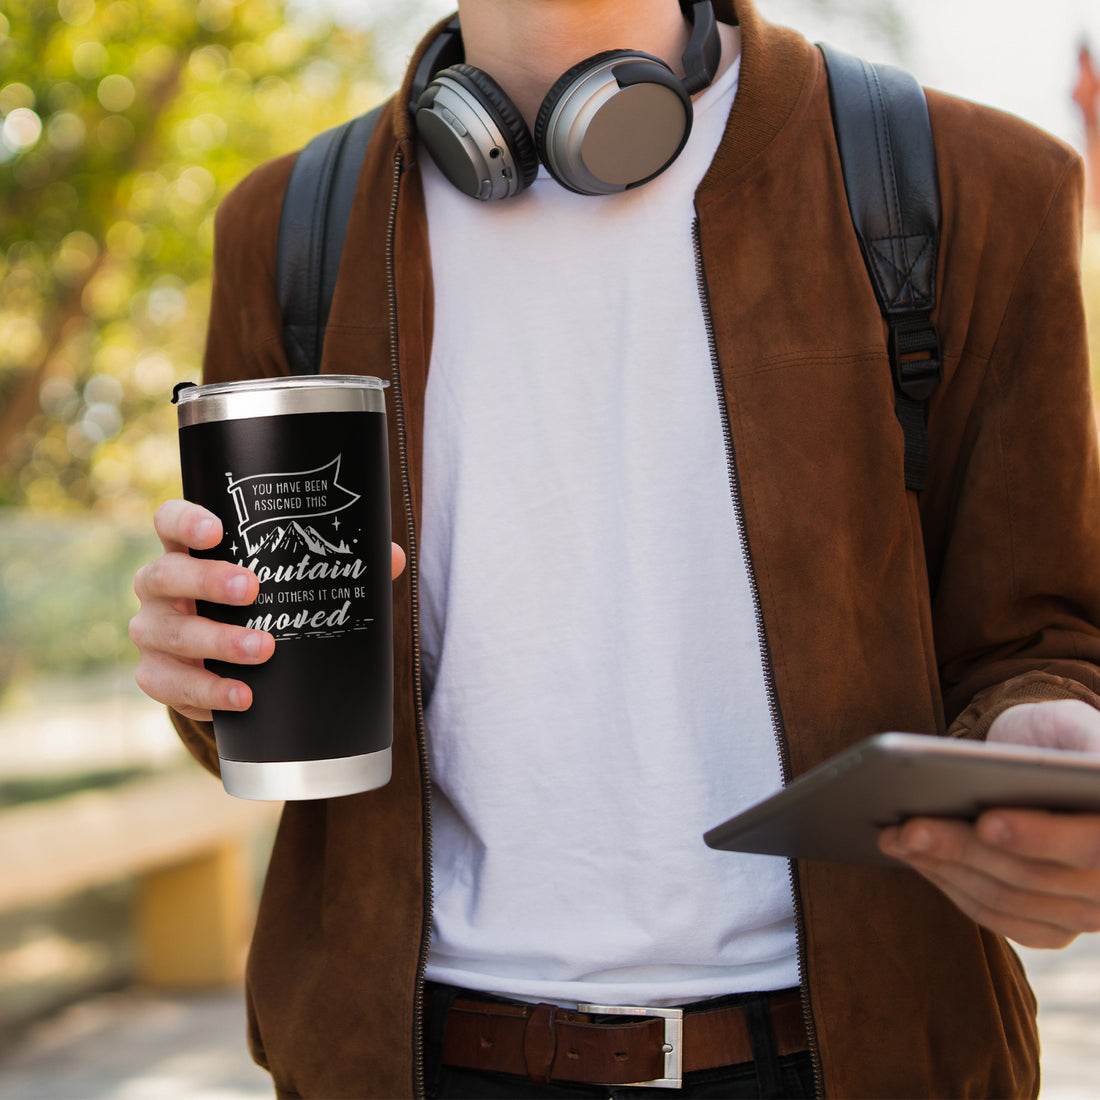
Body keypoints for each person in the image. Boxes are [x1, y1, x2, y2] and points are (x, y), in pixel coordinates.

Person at [128, 0, 1100, 1095]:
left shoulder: (969, 182)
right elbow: (267, 683)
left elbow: (1037, 635)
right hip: (404, 1059)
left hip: (858, 1056)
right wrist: (207, 674)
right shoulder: (290, 224)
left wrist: (1043, 734)